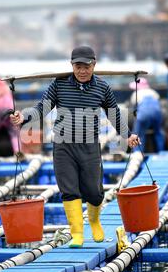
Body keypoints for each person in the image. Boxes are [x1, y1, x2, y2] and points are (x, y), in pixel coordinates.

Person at [11, 46, 140, 248]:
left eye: (86, 66)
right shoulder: (59, 85)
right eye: (78, 66)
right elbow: (41, 108)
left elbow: (114, 114)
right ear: (71, 66)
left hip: (89, 146)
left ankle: (95, 222)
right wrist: (23, 117)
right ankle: (77, 233)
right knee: (69, 189)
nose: (82, 71)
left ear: (94, 64)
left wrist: (128, 135)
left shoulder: (102, 88)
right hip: (63, 146)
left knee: (94, 191)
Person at [129, 78, 165, 152]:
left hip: (143, 114)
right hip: (157, 114)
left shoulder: (136, 94)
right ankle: (161, 152)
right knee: (158, 133)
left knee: (138, 134)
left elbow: (134, 111)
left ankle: (138, 153)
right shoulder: (154, 92)